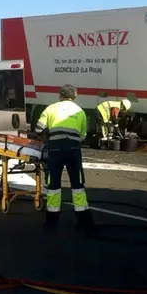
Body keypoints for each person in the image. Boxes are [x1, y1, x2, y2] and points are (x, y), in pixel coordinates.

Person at [34, 84, 94, 229]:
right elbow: (83, 135)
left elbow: (38, 129)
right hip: (73, 150)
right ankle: (83, 220)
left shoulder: (50, 109)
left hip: (55, 150)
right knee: (77, 184)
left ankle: (51, 220)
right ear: (74, 96)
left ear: (60, 96)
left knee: (53, 184)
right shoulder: (80, 111)